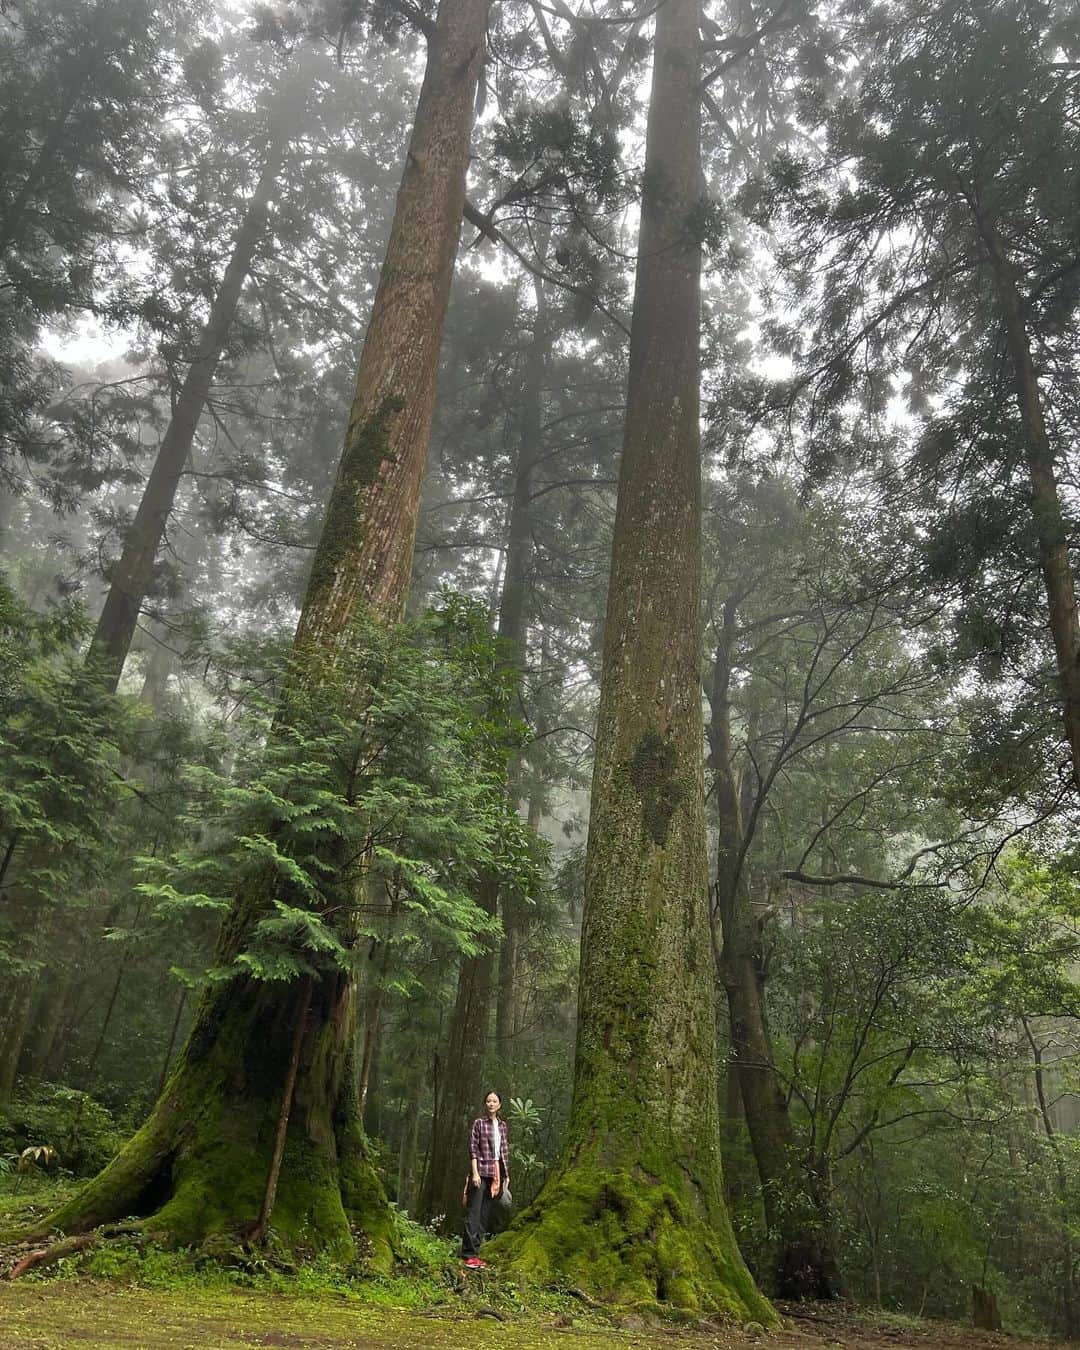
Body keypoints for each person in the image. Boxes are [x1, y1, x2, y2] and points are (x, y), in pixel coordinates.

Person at [461, 1089, 509, 1268]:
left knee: (484, 1215)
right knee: (474, 1213)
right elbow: (473, 1149)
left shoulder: (503, 1126)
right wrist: (474, 1172)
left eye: (494, 1101)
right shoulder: (479, 1124)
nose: (491, 1104)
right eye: (488, 1101)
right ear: (485, 1104)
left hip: (495, 1175)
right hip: (480, 1171)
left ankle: (476, 1253)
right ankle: (468, 1254)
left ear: (499, 1105)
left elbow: (503, 1152)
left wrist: (505, 1176)